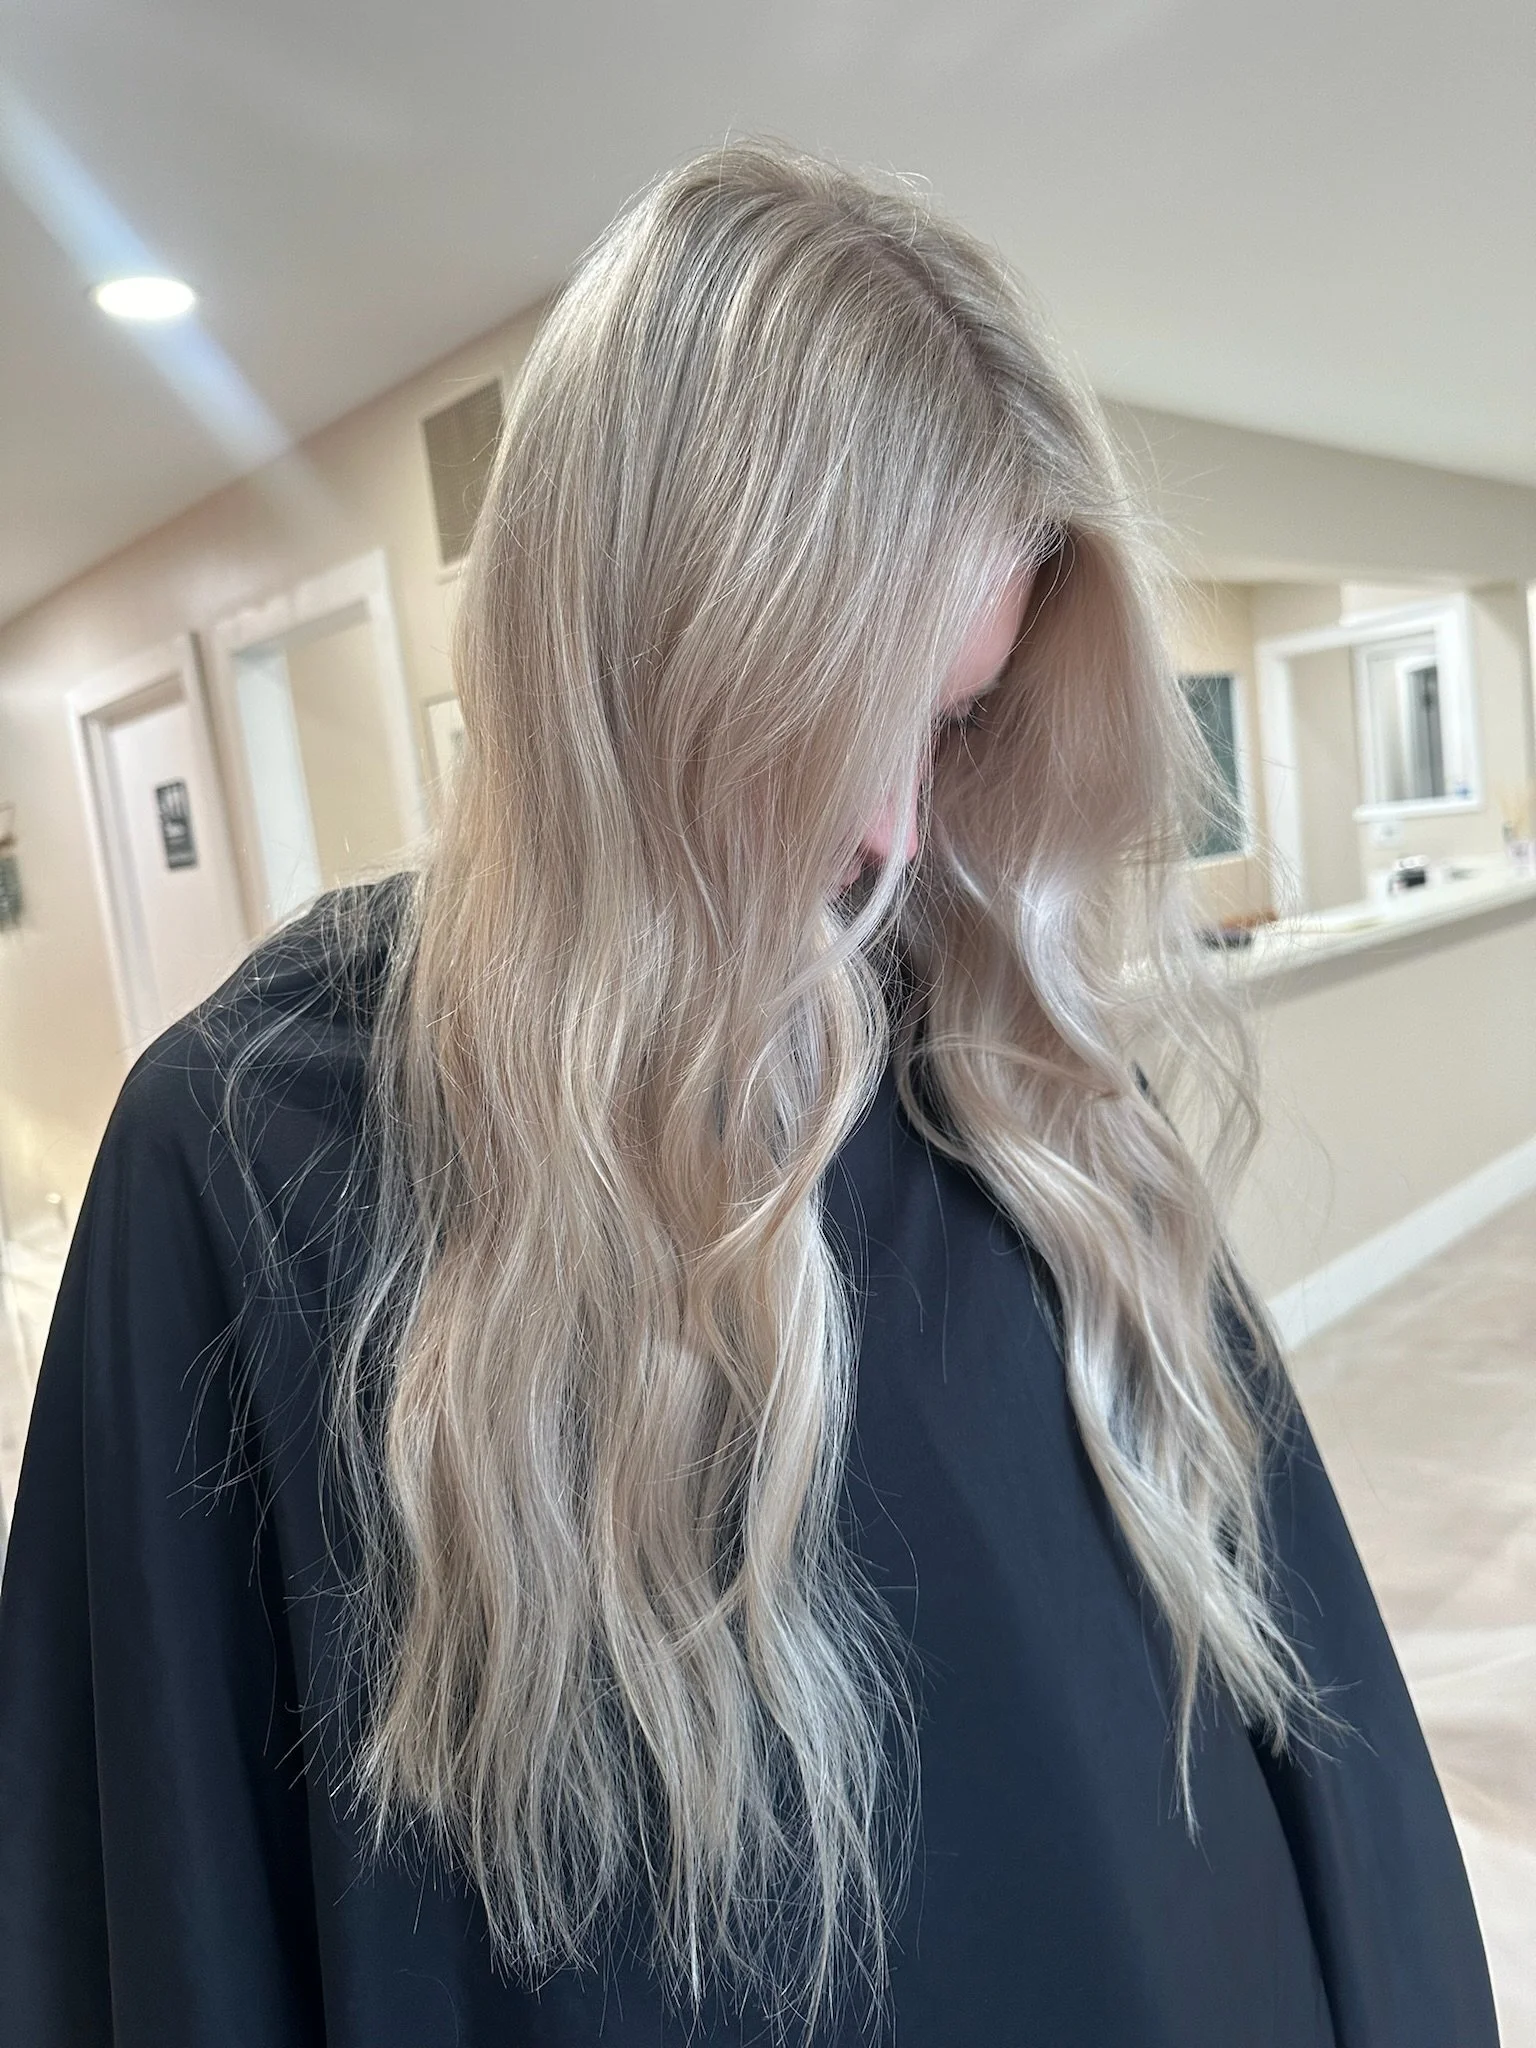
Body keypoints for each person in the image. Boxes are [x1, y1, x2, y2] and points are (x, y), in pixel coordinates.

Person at [0, 142, 1497, 2048]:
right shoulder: (249, 1160)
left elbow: (1327, 1776)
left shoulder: (1008, 1075)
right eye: (824, 714)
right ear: (622, 667)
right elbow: (173, 1932)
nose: (890, 836)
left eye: (952, 722)